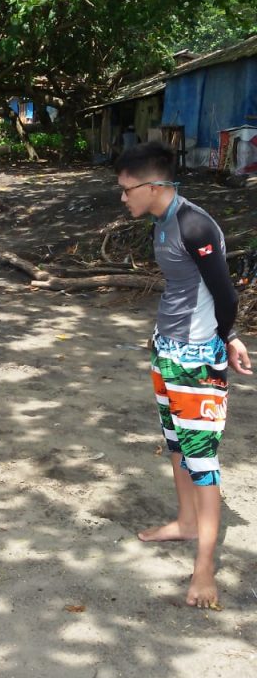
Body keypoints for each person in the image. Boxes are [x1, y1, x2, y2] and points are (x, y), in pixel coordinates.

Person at [115, 142, 252, 608]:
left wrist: (224, 339)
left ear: (153, 186)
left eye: (126, 189)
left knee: (202, 461)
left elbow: (226, 295)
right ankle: (186, 523)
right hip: (168, 350)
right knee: (176, 446)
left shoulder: (194, 225)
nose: (123, 197)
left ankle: (205, 568)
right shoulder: (161, 220)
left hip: (195, 359)